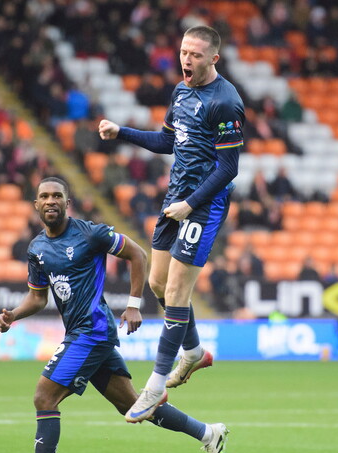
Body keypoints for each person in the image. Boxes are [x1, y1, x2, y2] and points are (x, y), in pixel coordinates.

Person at [0, 177, 229, 453]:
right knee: (131, 404)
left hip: (93, 331)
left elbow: (137, 254)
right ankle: (208, 433)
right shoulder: (37, 249)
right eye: (44, 196)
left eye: (57, 195)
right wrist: (12, 316)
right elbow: (37, 296)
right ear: (35, 204)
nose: (50, 201)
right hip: (83, 332)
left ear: (67, 201)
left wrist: (133, 304)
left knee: (44, 398)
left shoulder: (90, 233)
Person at [98, 25, 245, 422]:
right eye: (183, 52)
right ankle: (195, 353)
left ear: (213, 58)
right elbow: (168, 141)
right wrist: (121, 132)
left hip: (204, 203)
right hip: (176, 197)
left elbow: (229, 168)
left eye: (196, 55)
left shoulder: (226, 101)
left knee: (178, 291)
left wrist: (191, 204)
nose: (187, 60)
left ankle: (155, 386)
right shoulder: (180, 93)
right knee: (158, 283)